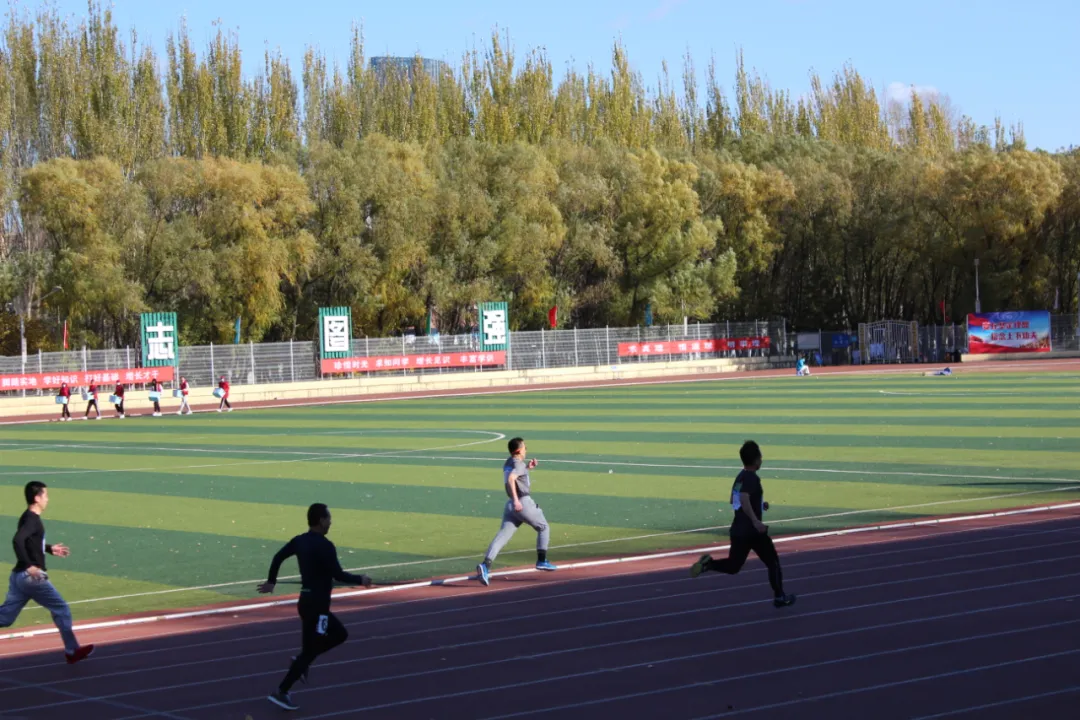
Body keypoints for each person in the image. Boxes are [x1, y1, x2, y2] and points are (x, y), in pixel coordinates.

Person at [257, 503, 373, 711]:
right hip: (318, 606)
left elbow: (278, 557)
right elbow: (338, 575)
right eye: (329, 518)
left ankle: (299, 663)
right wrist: (360, 579)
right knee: (333, 638)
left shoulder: (299, 541)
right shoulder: (326, 546)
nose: (330, 522)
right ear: (321, 520)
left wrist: (271, 581)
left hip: (305, 602)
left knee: (314, 646)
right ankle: (282, 690)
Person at [690, 441, 797, 608]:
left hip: (738, 530)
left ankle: (708, 564)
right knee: (773, 562)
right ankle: (779, 597)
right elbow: (744, 498)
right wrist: (756, 521)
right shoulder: (752, 478)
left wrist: (759, 504)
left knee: (734, 566)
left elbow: (734, 500)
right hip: (753, 532)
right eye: (760, 457)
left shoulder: (740, 477)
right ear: (756, 460)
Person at [0, 482, 95, 664]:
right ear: (37, 498)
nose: (47, 499)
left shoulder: (27, 517)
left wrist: (49, 548)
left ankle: (72, 650)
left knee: (5, 617)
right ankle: (72, 650)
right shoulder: (32, 520)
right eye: (45, 495)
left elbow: (30, 542)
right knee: (61, 609)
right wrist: (29, 565)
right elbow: (18, 540)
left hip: (18, 577)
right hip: (32, 578)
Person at [476, 437, 557, 586]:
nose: (526, 450)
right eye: (525, 447)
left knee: (502, 536)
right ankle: (542, 560)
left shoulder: (508, 462)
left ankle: (485, 565)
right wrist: (516, 500)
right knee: (544, 527)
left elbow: (516, 475)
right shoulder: (518, 464)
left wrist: (528, 468)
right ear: (519, 450)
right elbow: (512, 479)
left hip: (510, 507)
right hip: (522, 503)